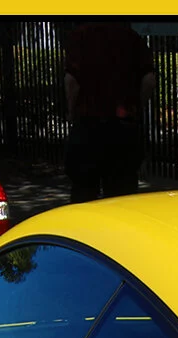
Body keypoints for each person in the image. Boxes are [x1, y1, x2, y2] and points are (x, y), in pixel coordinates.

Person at [64, 21, 156, 202]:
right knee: (122, 196)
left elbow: (71, 81)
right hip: (122, 129)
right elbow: (149, 80)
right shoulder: (132, 38)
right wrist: (137, 106)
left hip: (88, 127)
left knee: (83, 192)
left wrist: (71, 110)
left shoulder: (81, 36)